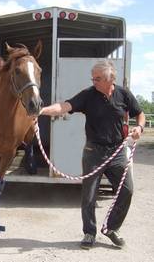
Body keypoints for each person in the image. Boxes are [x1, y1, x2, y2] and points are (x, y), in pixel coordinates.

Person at [39, 60, 145, 249]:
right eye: (93, 78)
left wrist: (140, 127)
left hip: (118, 151)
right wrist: (41, 111)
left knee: (127, 190)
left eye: (97, 78)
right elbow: (65, 106)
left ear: (110, 79)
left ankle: (111, 228)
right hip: (93, 152)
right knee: (88, 196)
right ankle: (89, 233)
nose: (93, 81)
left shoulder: (123, 94)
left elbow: (140, 113)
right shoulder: (88, 95)